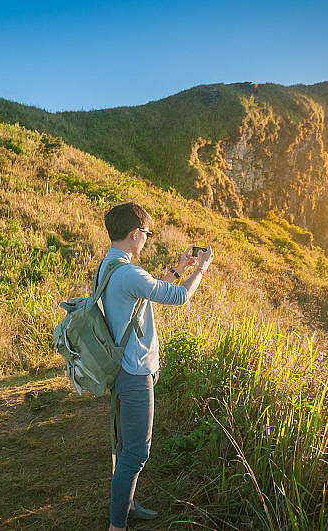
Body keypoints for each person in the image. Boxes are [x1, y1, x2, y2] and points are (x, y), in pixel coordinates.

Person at [100, 202, 213, 531]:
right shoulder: (129, 272)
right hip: (135, 372)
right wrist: (201, 268)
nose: (147, 240)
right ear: (135, 233)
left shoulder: (109, 265)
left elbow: (146, 295)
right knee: (136, 452)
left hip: (122, 368)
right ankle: (116, 526)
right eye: (147, 234)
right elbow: (179, 298)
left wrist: (178, 268)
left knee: (125, 447)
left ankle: (127, 504)